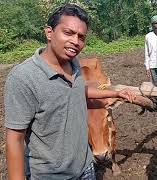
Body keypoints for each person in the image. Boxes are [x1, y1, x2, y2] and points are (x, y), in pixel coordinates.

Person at [4, 3, 135, 180]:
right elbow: (14, 140)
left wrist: (115, 93)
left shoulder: (75, 65)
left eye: (81, 37)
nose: (76, 41)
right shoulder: (23, 78)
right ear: (49, 32)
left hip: (86, 168)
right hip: (51, 175)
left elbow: (79, 91)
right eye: (68, 33)